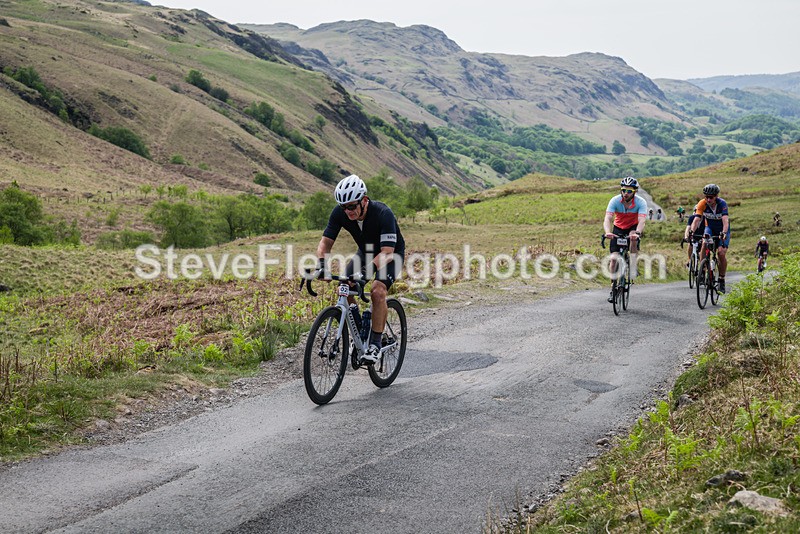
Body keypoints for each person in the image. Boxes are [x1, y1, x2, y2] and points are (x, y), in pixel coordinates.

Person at [314, 174, 405, 364]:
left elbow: (387, 252)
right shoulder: (340, 213)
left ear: (364, 200)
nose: (348, 211)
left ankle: (375, 344)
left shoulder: (383, 213)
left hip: (390, 253)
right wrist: (321, 265)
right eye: (344, 207)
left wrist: (364, 273)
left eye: (352, 206)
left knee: (377, 291)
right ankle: (360, 331)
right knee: (344, 286)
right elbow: (325, 243)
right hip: (366, 251)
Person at [604, 176, 647, 302]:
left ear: (635, 192)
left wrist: (638, 233)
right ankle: (613, 288)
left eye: (629, 191)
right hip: (618, 228)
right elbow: (607, 218)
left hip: (633, 227)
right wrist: (608, 232)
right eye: (623, 190)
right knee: (613, 259)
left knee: (633, 239)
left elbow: (642, 220)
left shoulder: (640, 202)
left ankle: (633, 265)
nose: (625, 193)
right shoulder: (615, 200)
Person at [690, 183, 730, 293]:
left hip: (722, 229)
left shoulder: (722, 204)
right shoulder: (702, 203)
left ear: (716, 196)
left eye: (711, 197)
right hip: (710, 228)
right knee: (704, 243)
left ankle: (721, 279)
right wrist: (691, 232)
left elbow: (725, 221)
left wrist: (724, 232)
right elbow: (696, 220)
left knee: (721, 253)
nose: (708, 199)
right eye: (706, 197)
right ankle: (702, 270)